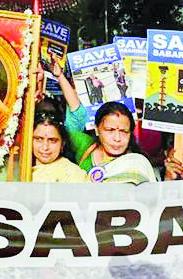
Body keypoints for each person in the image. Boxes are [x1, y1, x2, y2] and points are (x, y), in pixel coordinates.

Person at [43, 52, 155, 184]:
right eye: (109, 130)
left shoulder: (137, 164)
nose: (117, 139)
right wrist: (60, 76)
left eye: (124, 132)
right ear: (97, 129)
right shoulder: (85, 146)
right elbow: (76, 113)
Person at [32, 111, 87, 183]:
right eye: (39, 139)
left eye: (52, 140)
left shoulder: (72, 174)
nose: (45, 147)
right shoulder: (20, 166)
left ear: (62, 144)